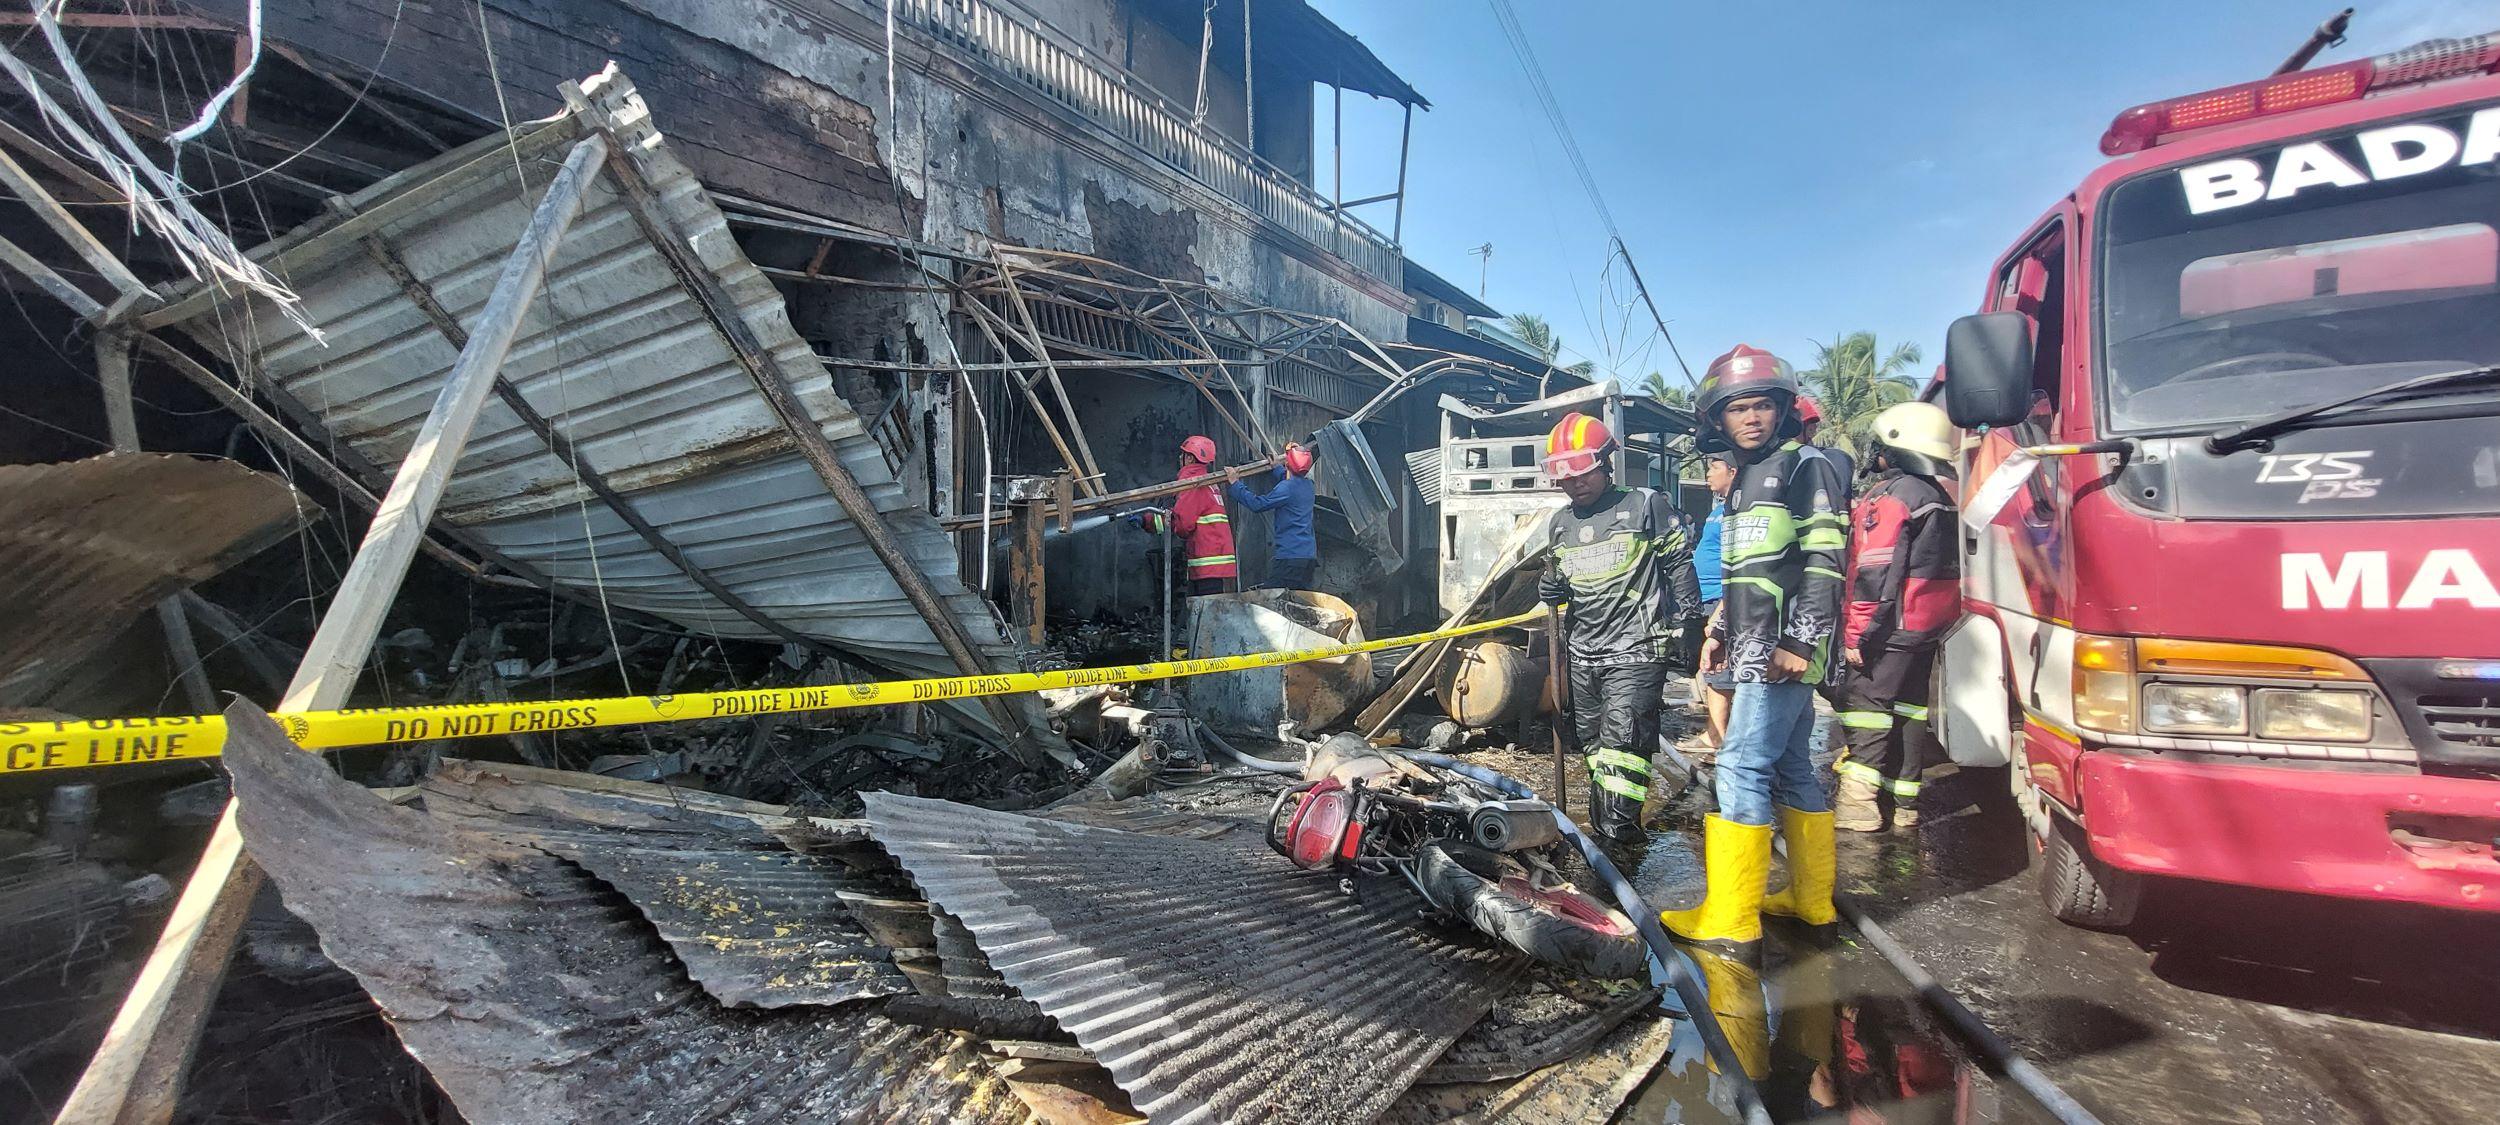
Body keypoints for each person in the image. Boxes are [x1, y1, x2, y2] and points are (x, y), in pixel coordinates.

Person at [1663, 344, 1849, 952]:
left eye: (1762, 407)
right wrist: (1719, 631)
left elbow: (1825, 559)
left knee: (1742, 764)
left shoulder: (1804, 467)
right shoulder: (1742, 482)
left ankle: (1732, 916)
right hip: (1750, 644)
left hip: (1783, 649)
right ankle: (1811, 900)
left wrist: (1802, 639)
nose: (1750, 418)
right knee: (1794, 766)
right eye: (1737, 409)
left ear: (1782, 410)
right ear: (1718, 420)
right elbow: (1745, 571)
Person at [1535, 412, 1703, 853]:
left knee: (1623, 743)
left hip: (1637, 650)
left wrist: (1690, 622)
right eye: (1564, 475)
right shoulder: (1559, 524)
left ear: (1606, 463)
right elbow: (1556, 580)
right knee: (1594, 746)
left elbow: (1679, 566)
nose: (1574, 483)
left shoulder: (1645, 504)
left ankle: (1618, 839)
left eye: (1583, 470)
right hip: (1583, 653)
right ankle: (1606, 826)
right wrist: (1548, 588)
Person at [1833, 402, 1961, 832]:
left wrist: (1856, 635)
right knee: (1910, 711)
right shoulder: (1940, 497)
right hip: (1928, 628)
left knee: (1866, 705)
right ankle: (1904, 805)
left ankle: (1860, 805)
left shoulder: (1891, 498)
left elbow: (1874, 570)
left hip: (1889, 628)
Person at [1130, 434, 1236, 596]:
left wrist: (1163, 524)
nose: (1180, 457)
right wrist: (1146, 521)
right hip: (1213, 559)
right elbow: (1180, 516)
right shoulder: (1205, 481)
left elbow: (1183, 523)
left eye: (1184, 454)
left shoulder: (1193, 483)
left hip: (1207, 561)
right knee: (1209, 610)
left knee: (1205, 612)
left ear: (1190, 459)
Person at [1231, 442, 1318, 589]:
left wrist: (1235, 484)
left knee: (1275, 597)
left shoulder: (1286, 488)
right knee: (1300, 599)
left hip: (1289, 558)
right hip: (1308, 557)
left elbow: (1258, 504)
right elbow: (1290, 481)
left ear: (1288, 463)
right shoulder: (1309, 485)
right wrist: (1277, 467)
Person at [1692, 454, 1736, 751]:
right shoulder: (1719, 509)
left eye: (1714, 468)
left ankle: (1717, 737)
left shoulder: (1738, 509)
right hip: (1706, 597)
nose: (1708, 474)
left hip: (1721, 600)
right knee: (1710, 669)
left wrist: (1723, 609)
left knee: (1719, 672)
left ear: (1733, 472)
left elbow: (1737, 563)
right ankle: (1715, 733)